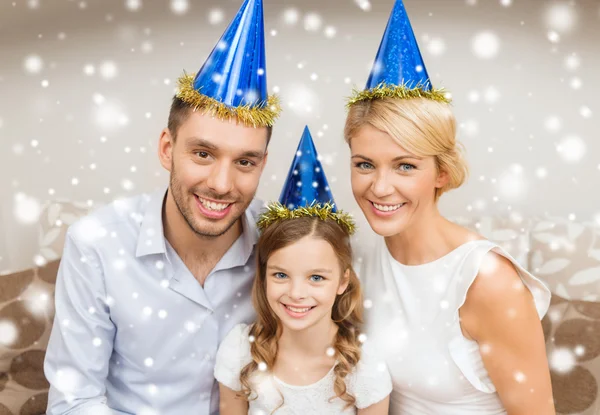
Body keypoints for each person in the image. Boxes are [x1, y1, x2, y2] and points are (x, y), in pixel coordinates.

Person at [44, 1, 280, 413]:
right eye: (203, 154)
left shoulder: (284, 244)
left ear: (262, 164)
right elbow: (74, 401)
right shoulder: (97, 244)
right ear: (167, 149)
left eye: (245, 161)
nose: (222, 185)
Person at [344, 1, 555, 414]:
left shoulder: (487, 282)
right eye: (364, 164)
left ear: (441, 172)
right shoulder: (360, 259)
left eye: (405, 166)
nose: (380, 187)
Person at [214, 127, 392, 414]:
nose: (296, 293)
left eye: (317, 277)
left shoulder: (362, 366)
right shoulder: (240, 352)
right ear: (264, 275)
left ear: (343, 280)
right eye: (281, 275)